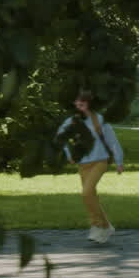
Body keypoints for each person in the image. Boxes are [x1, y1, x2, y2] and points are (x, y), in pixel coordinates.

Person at [57, 89, 124, 243]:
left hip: (100, 161)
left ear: (88, 105)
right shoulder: (72, 122)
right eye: (77, 105)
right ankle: (106, 226)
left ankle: (97, 226)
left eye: (82, 105)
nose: (78, 108)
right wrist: (69, 154)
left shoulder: (99, 120)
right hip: (83, 164)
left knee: (86, 193)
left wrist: (119, 161)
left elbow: (113, 141)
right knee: (90, 196)